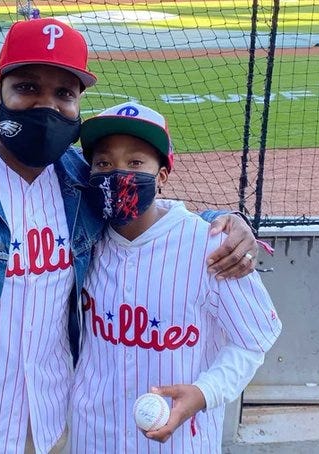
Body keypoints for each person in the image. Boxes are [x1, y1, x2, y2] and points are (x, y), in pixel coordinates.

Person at [0, 18, 260, 454]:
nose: (46, 106)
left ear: (78, 103)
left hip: (49, 428)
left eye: (64, 94)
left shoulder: (82, 184)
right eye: (27, 87)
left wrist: (223, 222)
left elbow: (144, 211)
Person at [69, 102, 282, 453]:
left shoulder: (210, 245)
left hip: (180, 442)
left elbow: (254, 338)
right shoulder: (83, 239)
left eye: (135, 163)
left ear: (162, 176)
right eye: (104, 163)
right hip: (93, 436)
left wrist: (204, 392)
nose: (118, 173)